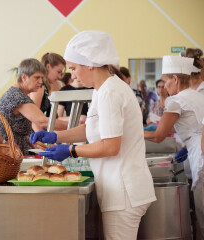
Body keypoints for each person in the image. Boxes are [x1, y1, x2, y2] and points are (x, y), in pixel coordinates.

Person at [30, 31, 156, 239]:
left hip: (124, 190)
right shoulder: (101, 89)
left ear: (90, 63)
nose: (73, 76)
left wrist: (71, 151)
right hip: (121, 187)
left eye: (74, 68)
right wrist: (55, 136)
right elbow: (90, 129)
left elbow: (110, 146)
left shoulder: (110, 92)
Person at [144, 55, 204, 239]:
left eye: (165, 81)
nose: (164, 86)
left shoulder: (175, 101)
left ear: (175, 79)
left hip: (200, 155)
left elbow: (158, 135)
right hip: (196, 149)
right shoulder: (197, 95)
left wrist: (130, 133)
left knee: (203, 218)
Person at [0, 58, 67, 155]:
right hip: (9, 152)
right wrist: (73, 126)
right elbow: (42, 121)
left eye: (42, 78)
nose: (40, 81)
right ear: (24, 77)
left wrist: (32, 142)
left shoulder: (18, 93)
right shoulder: (17, 96)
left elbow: (17, 128)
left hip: (15, 150)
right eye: (36, 77)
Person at [29, 53, 66, 131]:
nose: (60, 76)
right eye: (58, 72)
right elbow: (33, 119)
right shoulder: (39, 86)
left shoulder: (45, 86)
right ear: (48, 67)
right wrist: (44, 140)